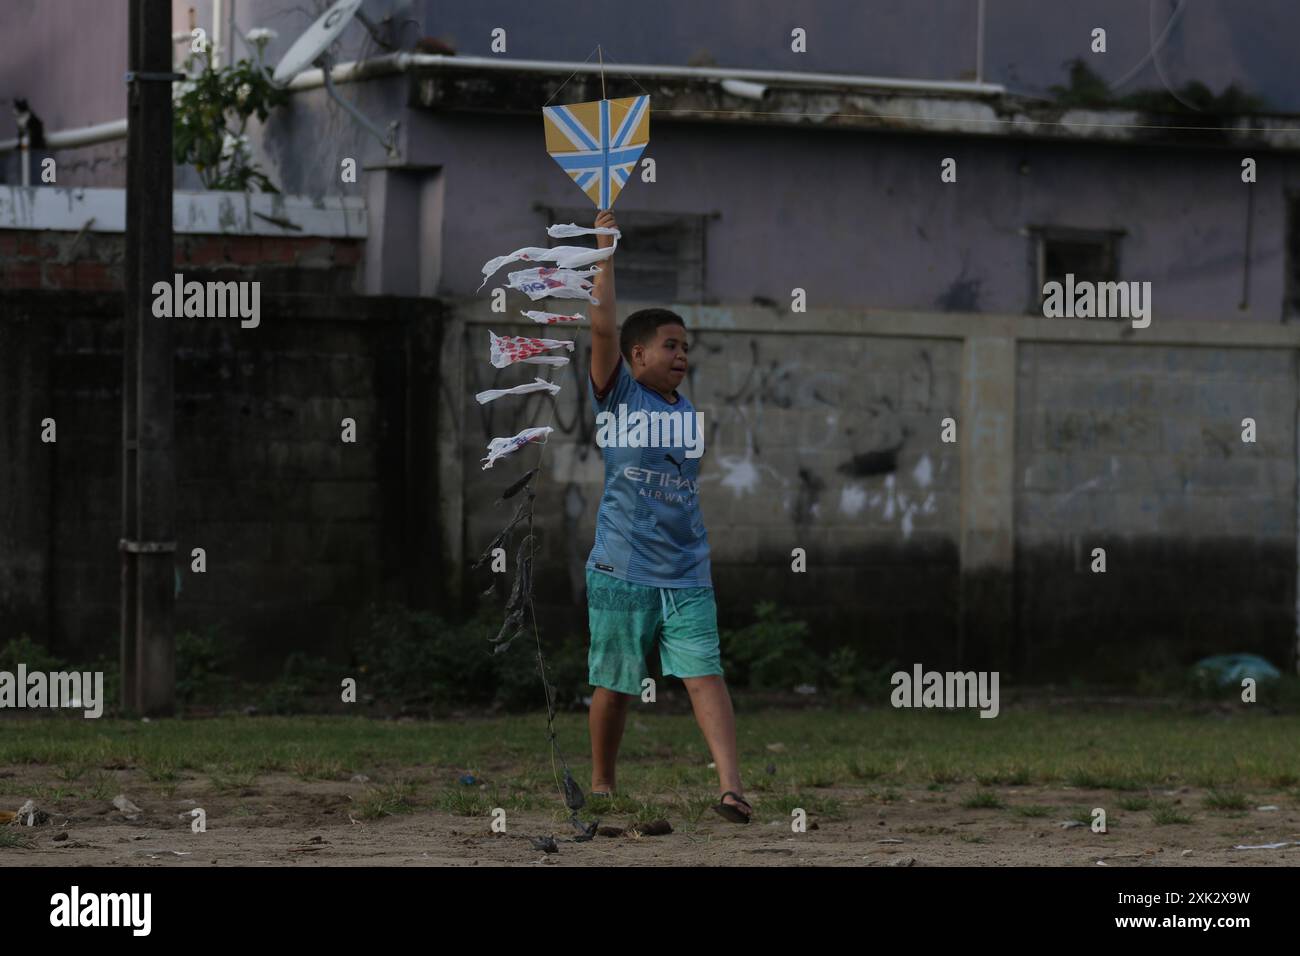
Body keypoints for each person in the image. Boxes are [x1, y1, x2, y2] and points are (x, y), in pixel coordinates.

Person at [584, 208, 751, 823]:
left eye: (686, 347)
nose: (682, 355)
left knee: (705, 674)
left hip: (687, 571)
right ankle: (602, 783)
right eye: (670, 345)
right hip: (621, 569)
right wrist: (604, 246)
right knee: (617, 685)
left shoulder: (684, 408)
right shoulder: (617, 390)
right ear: (635, 355)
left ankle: (732, 789)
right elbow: (600, 325)